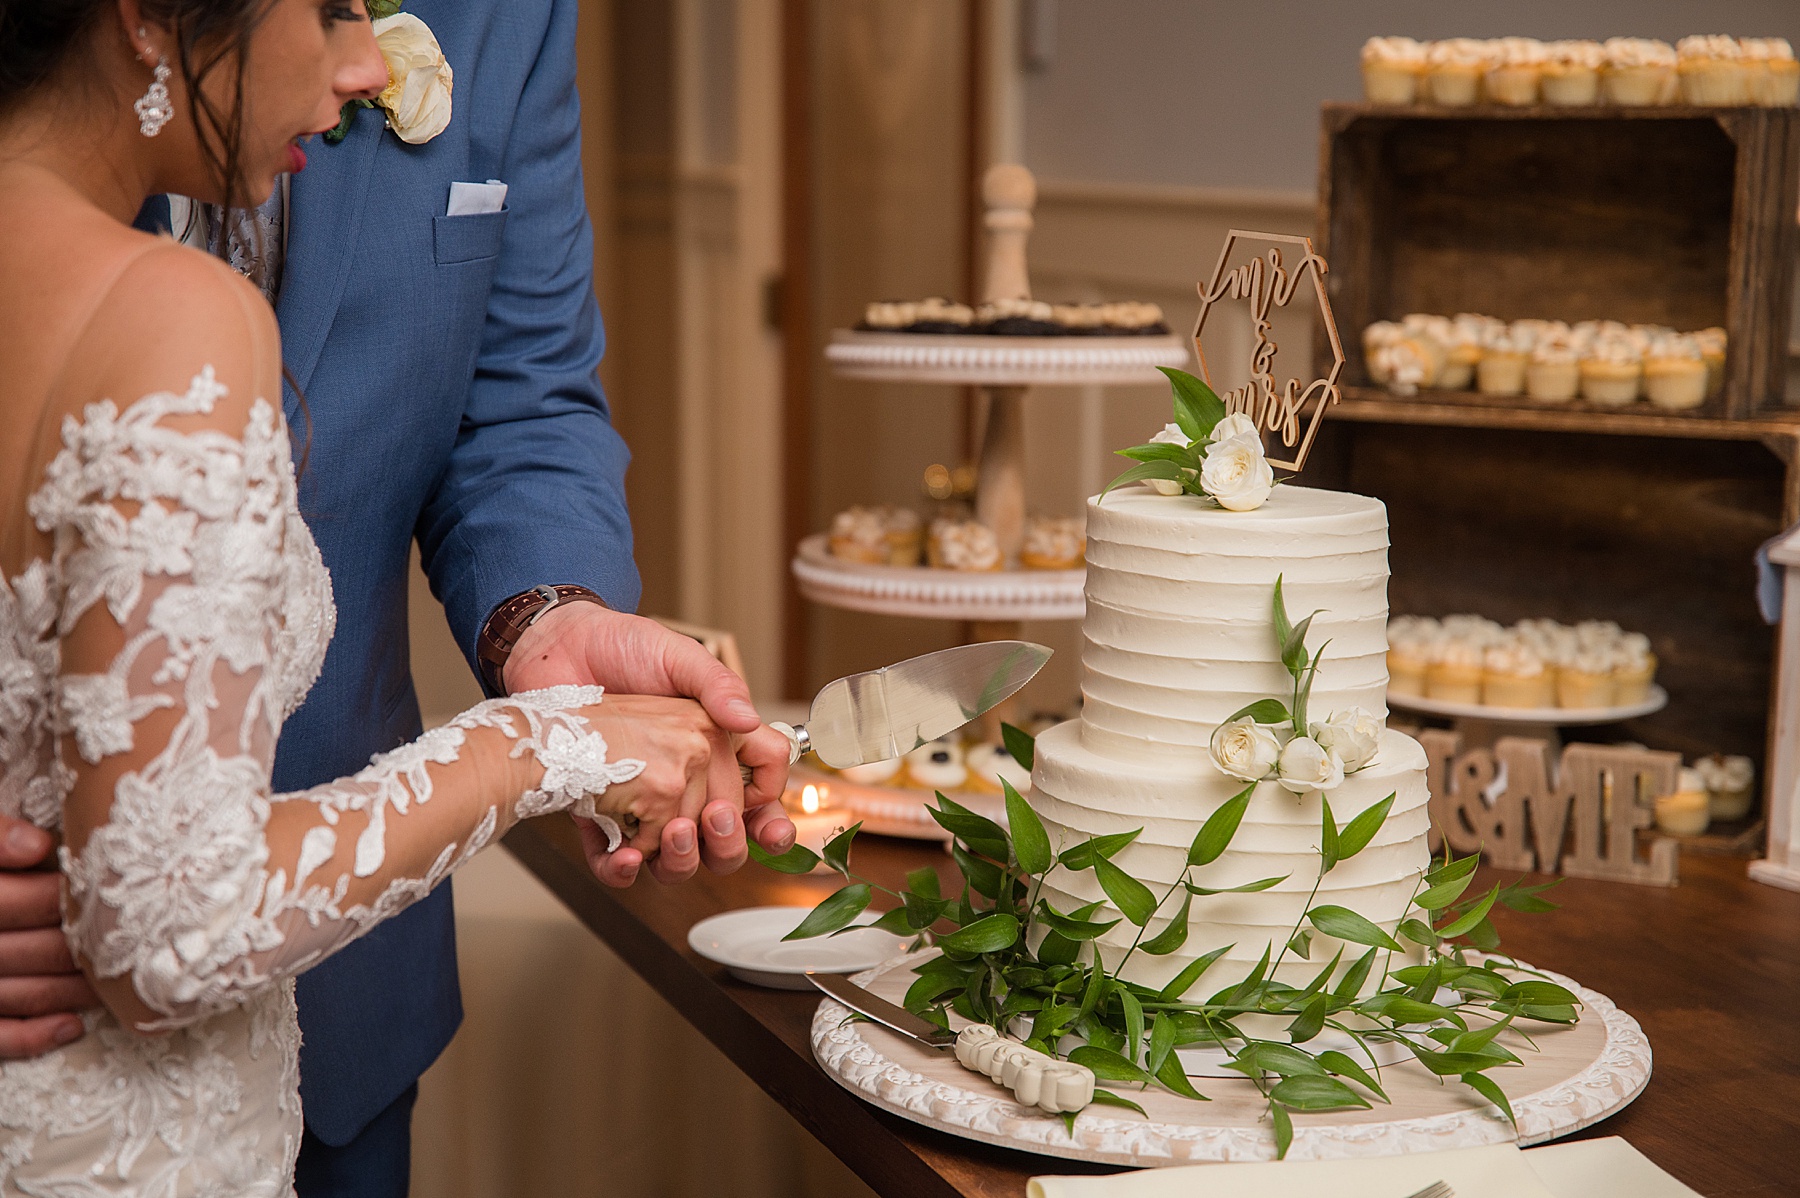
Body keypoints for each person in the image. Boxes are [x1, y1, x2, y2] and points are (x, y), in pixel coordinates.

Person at [0, 0, 793, 1193]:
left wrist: (551, 629)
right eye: (328, 12)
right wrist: (539, 749)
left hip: (329, 1022)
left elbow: (524, 396)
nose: (364, 63)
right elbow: (170, 922)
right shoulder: (177, 312)